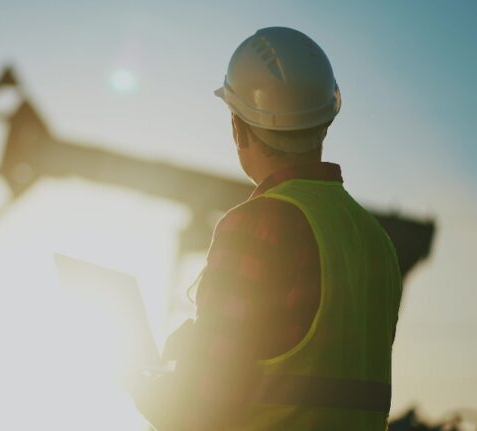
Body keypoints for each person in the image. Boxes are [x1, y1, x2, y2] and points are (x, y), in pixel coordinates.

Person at [129, 27, 403, 430]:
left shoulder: (258, 225)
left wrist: (135, 379)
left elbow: (199, 410)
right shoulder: (377, 241)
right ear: (325, 124)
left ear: (238, 128)